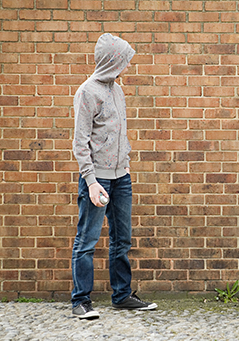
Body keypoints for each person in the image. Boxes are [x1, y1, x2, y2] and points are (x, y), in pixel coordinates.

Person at [71, 33, 157, 320]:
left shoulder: (117, 91)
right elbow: (80, 142)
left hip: (122, 178)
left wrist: (127, 164)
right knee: (87, 240)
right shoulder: (87, 92)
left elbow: (119, 133)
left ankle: (122, 296)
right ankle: (80, 300)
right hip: (98, 179)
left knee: (122, 240)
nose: (128, 66)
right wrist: (91, 181)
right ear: (113, 60)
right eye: (125, 60)